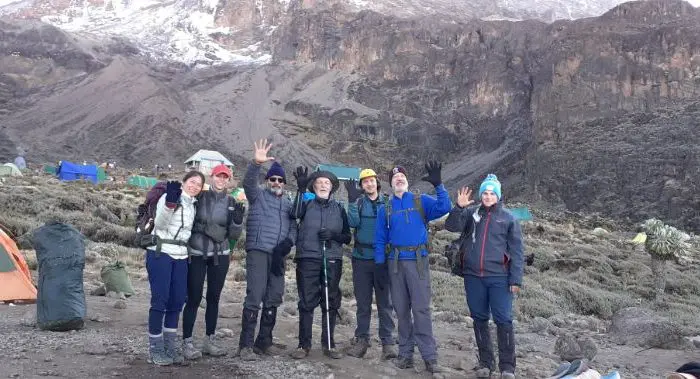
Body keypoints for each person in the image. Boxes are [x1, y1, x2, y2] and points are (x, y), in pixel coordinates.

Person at [444, 174, 524, 379]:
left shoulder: (508, 219)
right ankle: (486, 363)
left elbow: (517, 252)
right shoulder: (471, 214)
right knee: (479, 319)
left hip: (499, 278)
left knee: (503, 320)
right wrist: (459, 207)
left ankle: (507, 367)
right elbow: (451, 226)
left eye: (491, 193)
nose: (488, 197)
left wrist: (515, 280)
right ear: (481, 195)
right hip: (473, 277)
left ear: (497, 196)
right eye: (485, 193)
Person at [374, 162, 451, 373]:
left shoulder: (421, 201)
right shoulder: (386, 209)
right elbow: (380, 239)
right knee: (401, 309)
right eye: (394, 178)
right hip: (395, 263)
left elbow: (445, 207)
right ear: (390, 184)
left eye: (402, 177)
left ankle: (429, 357)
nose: (399, 179)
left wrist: (439, 185)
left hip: (418, 262)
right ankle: (405, 354)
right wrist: (380, 265)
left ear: (407, 181)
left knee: (421, 309)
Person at [238, 139, 297, 361]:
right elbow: (247, 183)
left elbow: (293, 227)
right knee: (255, 295)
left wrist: (288, 243)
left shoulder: (288, 204)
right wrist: (256, 162)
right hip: (259, 251)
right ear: (267, 180)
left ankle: (264, 341)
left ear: (284, 183)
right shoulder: (258, 195)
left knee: (274, 297)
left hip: (278, 256)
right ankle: (245, 345)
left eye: (280, 179)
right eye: (272, 178)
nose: (276, 182)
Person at [181, 164, 245, 359]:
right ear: (212, 177)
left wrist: (237, 221)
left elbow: (234, 235)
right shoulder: (199, 197)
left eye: (225, 177)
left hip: (221, 254)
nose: (221, 180)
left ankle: (209, 340)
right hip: (197, 253)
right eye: (219, 176)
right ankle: (187, 342)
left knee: (214, 298)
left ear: (229, 180)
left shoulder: (232, 202)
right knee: (193, 297)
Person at [289, 166, 351, 360]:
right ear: (313, 187)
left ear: (331, 188)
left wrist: (333, 235)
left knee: (330, 300)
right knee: (307, 301)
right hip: (308, 257)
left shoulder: (340, 209)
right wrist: (300, 189)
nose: (323, 185)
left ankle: (329, 344)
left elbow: (347, 237)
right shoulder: (306, 204)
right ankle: (303, 344)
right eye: (319, 183)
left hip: (332, 258)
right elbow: (295, 214)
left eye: (327, 183)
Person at [145, 171, 205, 366]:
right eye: (192, 182)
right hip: (161, 252)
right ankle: (156, 348)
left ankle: (170, 346)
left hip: (181, 256)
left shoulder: (193, 205)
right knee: (160, 300)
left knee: (177, 300)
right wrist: (170, 204)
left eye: (198, 184)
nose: (194, 186)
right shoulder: (169, 197)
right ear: (184, 182)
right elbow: (161, 224)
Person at [343, 169, 397, 359]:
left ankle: (388, 343)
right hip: (361, 259)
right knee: (363, 303)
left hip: (383, 260)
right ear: (361, 185)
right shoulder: (358, 203)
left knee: (385, 303)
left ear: (377, 182)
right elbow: (352, 223)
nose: (369, 184)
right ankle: (362, 340)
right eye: (365, 182)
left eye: (371, 181)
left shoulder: (388, 202)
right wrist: (350, 200)